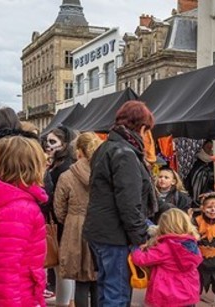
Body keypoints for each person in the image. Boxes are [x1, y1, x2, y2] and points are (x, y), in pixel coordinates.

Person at [83, 100, 157, 307]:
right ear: (141, 128)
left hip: (101, 231)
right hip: (115, 235)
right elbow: (129, 202)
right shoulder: (124, 153)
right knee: (118, 293)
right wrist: (140, 236)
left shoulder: (107, 147)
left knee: (107, 288)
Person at [0, 136, 48, 307]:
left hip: (14, 292)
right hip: (18, 296)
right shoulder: (19, 210)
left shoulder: (9, 201)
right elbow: (5, 270)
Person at [54, 132, 102, 307]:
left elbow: (59, 209)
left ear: (78, 151)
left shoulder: (66, 176)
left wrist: (70, 220)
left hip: (75, 228)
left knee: (81, 281)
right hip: (100, 225)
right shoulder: (104, 173)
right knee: (98, 279)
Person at [131, 208, 203, 307]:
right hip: (188, 293)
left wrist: (136, 249)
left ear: (163, 227)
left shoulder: (165, 247)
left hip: (167, 294)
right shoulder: (192, 245)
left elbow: (141, 260)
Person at [43, 126, 77, 304]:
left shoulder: (63, 167)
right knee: (61, 266)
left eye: (52, 142)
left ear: (64, 144)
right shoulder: (58, 164)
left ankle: (65, 302)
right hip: (60, 220)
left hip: (60, 221)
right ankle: (65, 300)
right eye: (47, 141)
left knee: (62, 266)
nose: (48, 146)